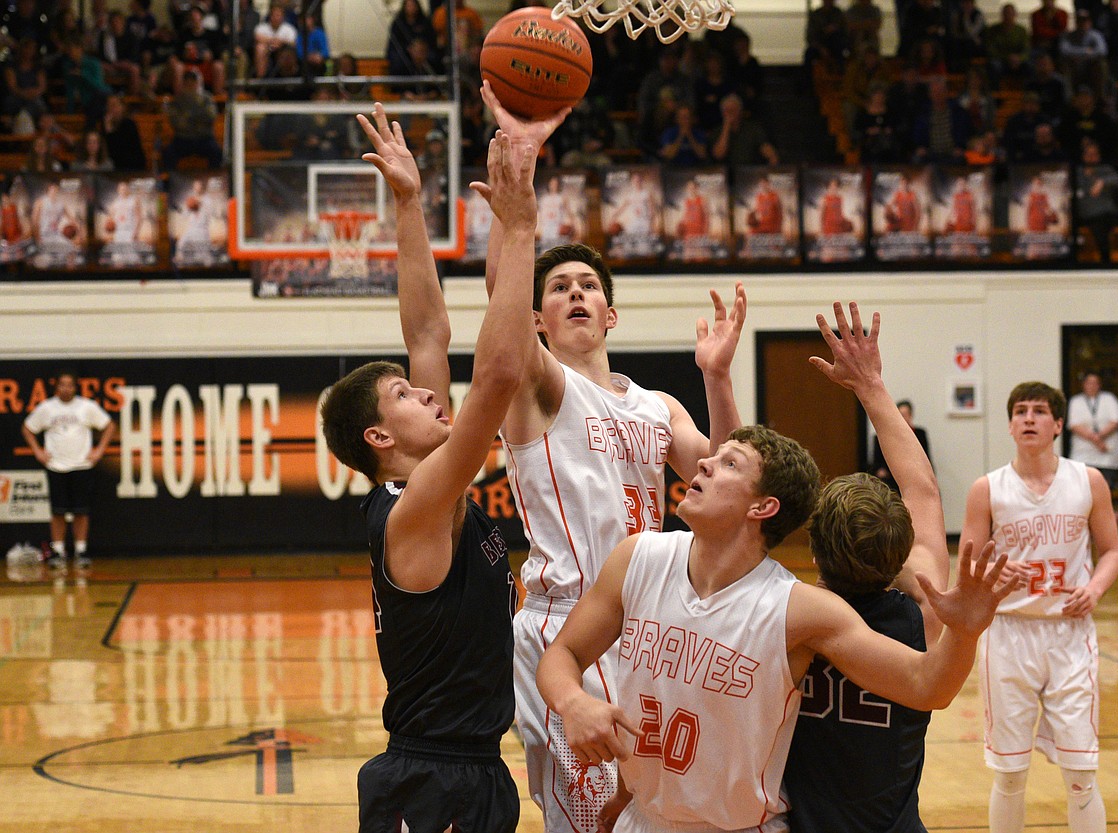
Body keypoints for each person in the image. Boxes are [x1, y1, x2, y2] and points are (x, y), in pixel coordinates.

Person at [537, 302, 1019, 833]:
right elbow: (923, 494)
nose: (703, 461)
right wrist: (579, 709)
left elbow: (926, 684)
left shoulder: (802, 613)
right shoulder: (642, 558)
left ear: (810, 548)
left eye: (728, 463)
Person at [479, 79, 749, 833]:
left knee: (661, 807)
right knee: (595, 819)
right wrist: (517, 213)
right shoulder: (541, 386)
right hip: (570, 626)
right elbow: (502, 304)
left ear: (611, 312)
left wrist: (718, 377)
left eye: (588, 285)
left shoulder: (656, 404)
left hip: (653, 622)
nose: (574, 293)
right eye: (558, 287)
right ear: (537, 316)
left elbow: (729, 476)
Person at [320, 103, 538, 833]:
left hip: (469, 766)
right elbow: (500, 373)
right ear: (381, 434)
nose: (425, 390)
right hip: (432, 777)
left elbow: (427, 330)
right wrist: (520, 228)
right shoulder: (417, 508)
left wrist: (410, 204)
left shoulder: (421, 484)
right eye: (407, 395)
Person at [786, 310, 950, 833]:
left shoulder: (783, 617)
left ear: (814, 552)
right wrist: (871, 386)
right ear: (901, 549)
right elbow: (921, 488)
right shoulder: (921, 615)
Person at [960, 380, 1118, 833]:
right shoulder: (987, 489)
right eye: (1020, 412)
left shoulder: (1088, 481)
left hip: (1069, 635)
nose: (1028, 418)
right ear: (1010, 426)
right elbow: (969, 565)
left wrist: (1095, 589)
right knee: (1010, 774)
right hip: (1008, 633)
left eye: (1038, 411)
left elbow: (1111, 551)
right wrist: (993, 573)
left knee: (1081, 776)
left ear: (1058, 424)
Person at [21, 370, 116, 569]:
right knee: (58, 512)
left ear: (75, 387)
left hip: (81, 465)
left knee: (81, 511)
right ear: (57, 388)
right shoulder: (47, 408)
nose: (66, 388)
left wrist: (99, 451)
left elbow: (109, 426)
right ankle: (58, 550)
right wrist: (38, 451)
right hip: (56, 466)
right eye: (62, 385)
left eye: (70, 385)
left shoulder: (86, 407)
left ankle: (81, 550)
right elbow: (28, 428)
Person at [1066, 370, 1118, 489]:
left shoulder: (1109, 399)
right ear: (1083, 384)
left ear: (1099, 385)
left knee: (1106, 487)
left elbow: (1116, 421)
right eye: (1089, 383)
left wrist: (1100, 436)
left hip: (1107, 452)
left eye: (1095, 383)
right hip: (1084, 453)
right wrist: (1097, 440)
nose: (1092, 386)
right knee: (1085, 488)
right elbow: (1074, 425)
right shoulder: (1076, 401)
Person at [870, 398, 932, 492]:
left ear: (910, 415)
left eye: (904, 415)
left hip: (914, 476)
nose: (902, 418)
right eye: (899, 415)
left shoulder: (920, 434)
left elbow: (926, 458)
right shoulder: (883, 435)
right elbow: (877, 462)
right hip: (890, 476)